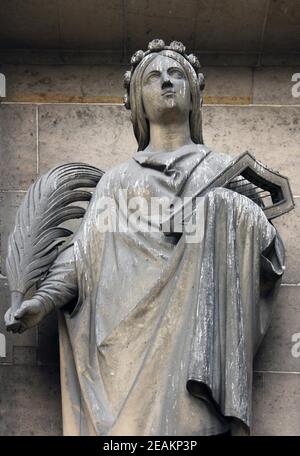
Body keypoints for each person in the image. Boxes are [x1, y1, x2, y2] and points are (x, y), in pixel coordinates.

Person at [5, 40, 284, 436]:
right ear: (138, 100)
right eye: (153, 77)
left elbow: (266, 253)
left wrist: (227, 210)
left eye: (176, 74)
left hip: (194, 350)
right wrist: (42, 300)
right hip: (124, 344)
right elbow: (83, 255)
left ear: (192, 96)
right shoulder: (119, 180)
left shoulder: (223, 172)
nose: (166, 82)